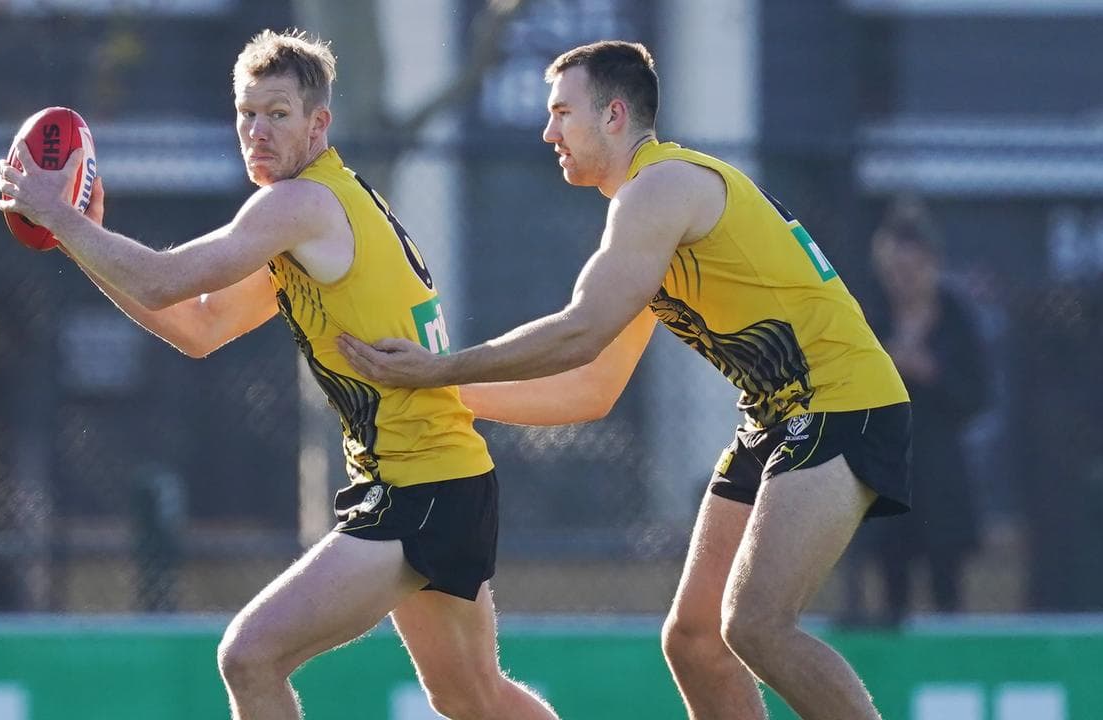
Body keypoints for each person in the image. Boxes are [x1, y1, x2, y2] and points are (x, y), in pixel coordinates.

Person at [337, 41, 912, 720]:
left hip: (844, 405)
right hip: (779, 416)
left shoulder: (661, 189)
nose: (548, 131)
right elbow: (590, 387)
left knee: (756, 626)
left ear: (613, 115)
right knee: (695, 641)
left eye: (561, 113)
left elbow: (581, 329)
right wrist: (439, 393)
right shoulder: (650, 209)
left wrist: (444, 366)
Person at [0, 29, 558, 720]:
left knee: (250, 656)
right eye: (246, 113)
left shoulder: (297, 207)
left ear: (318, 124)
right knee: (473, 699)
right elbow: (200, 326)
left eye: (278, 114)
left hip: (422, 488)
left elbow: (165, 279)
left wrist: (60, 217)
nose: (256, 131)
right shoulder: (315, 213)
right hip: (445, 479)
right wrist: (83, 240)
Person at [845, 199, 987, 625]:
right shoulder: (868, 313)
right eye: (893, 271)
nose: (902, 281)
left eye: (911, 270)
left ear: (931, 263)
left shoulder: (956, 317)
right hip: (885, 467)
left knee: (947, 585)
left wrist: (930, 373)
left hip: (940, 469)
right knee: (892, 583)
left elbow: (978, 395)